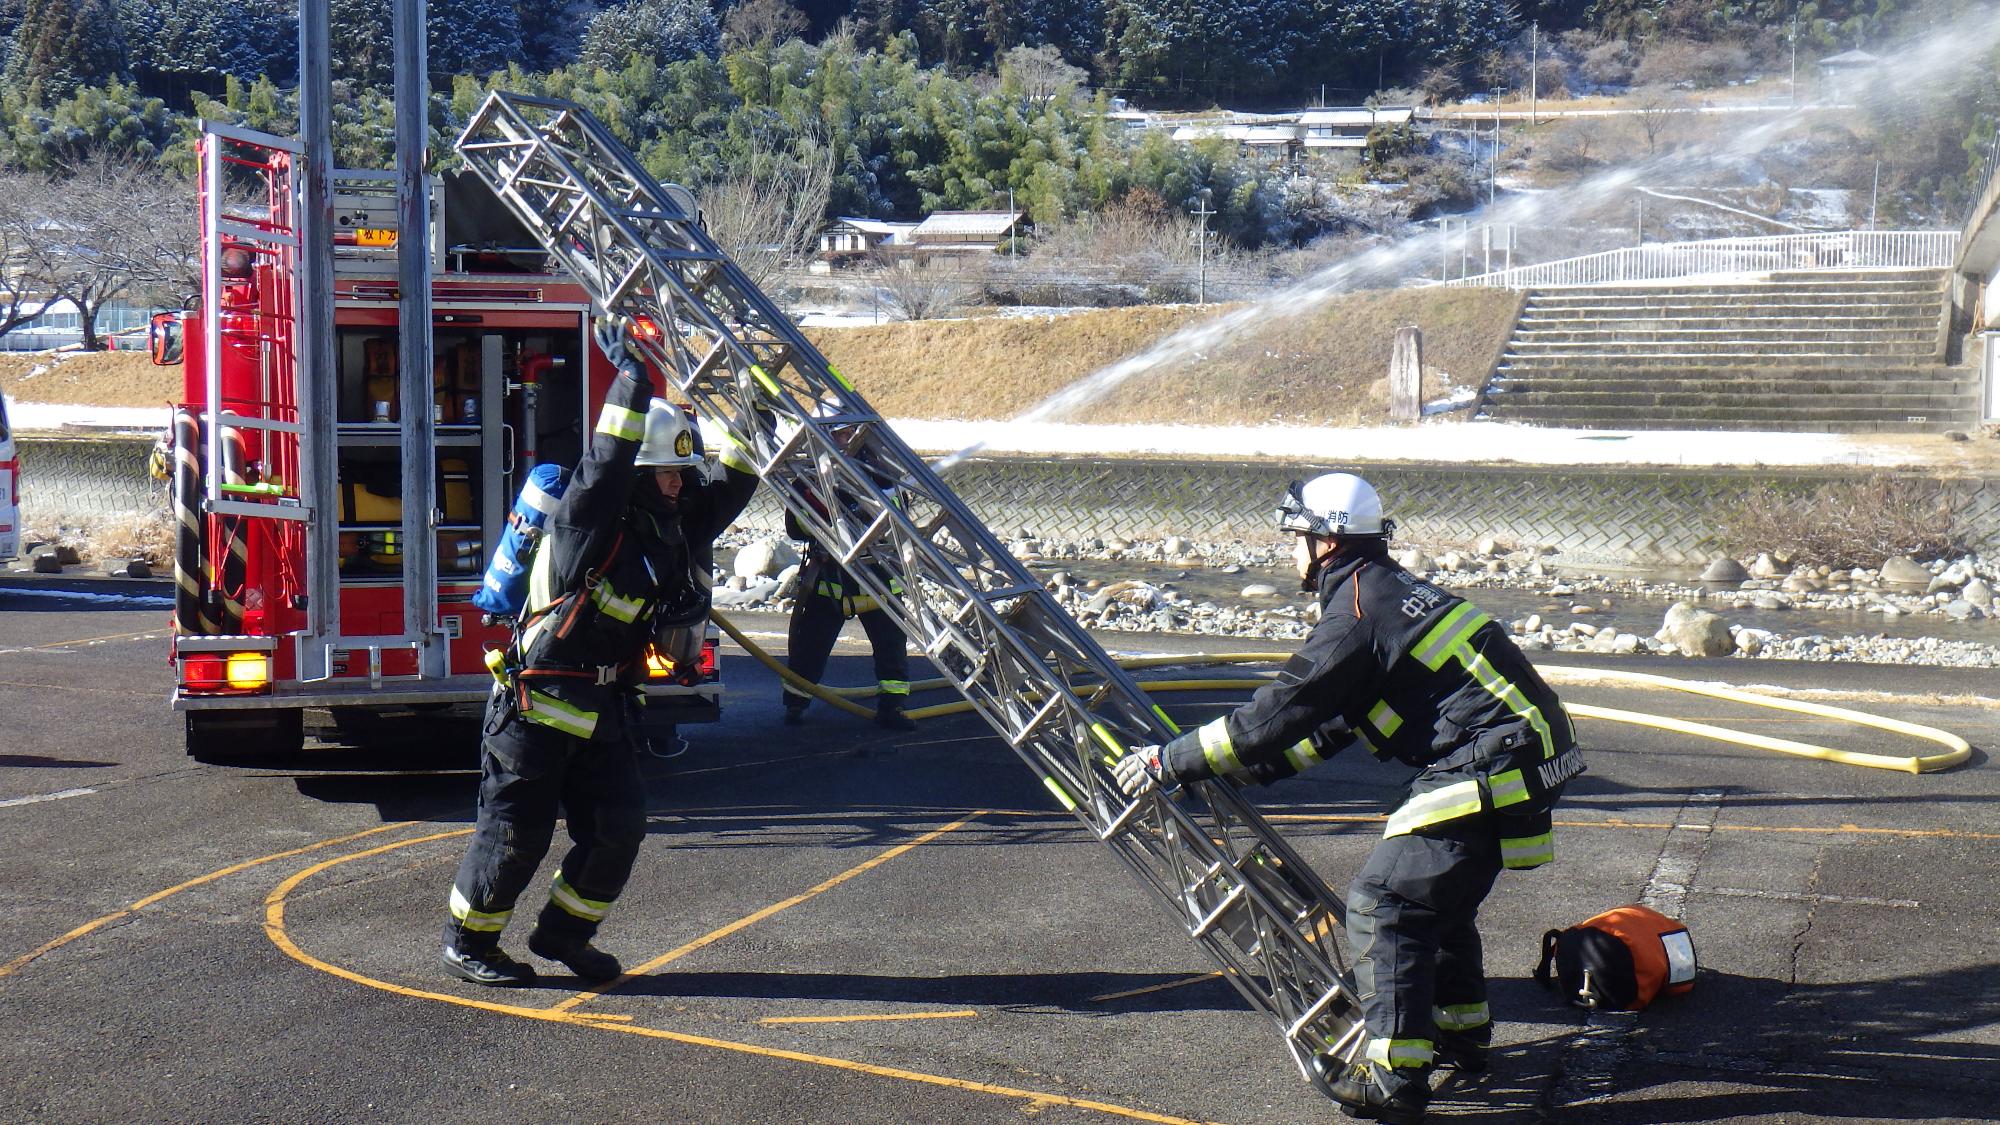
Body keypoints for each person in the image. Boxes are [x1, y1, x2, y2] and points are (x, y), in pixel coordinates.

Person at [1113, 472, 1584, 1125]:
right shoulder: (1384, 592)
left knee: (1388, 901)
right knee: (1435, 902)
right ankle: (1462, 1032)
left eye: (1297, 537)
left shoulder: (1356, 613)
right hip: (1524, 750)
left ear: (1326, 541)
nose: (1291, 551)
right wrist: (1239, 771)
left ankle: (1394, 1078)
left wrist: (1169, 759)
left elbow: (1271, 715)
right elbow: (1329, 724)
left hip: (1492, 756)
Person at [441, 321, 760, 987]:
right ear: (642, 476)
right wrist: (635, 379)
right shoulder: (587, 519)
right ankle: (469, 940)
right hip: (533, 712)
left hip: (603, 710)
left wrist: (755, 406)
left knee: (620, 827)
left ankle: (563, 934)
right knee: (515, 836)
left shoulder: (668, 528)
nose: (679, 485)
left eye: (681, 474)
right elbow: (610, 455)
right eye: (669, 474)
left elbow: (732, 484)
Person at [780, 486, 916, 731]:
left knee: (891, 646)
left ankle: (893, 707)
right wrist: (822, 515)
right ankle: (796, 702)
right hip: (831, 578)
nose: (845, 443)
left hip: (878, 577)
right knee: (810, 645)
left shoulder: (878, 473)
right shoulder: (812, 479)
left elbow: (901, 517)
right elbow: (794, 528)